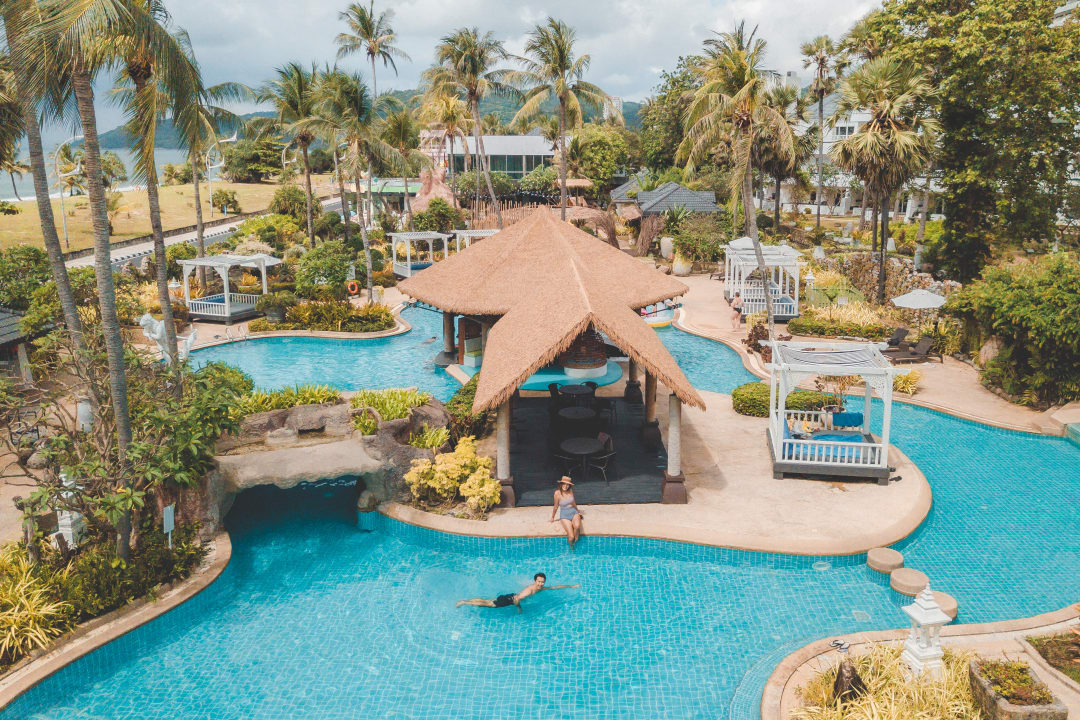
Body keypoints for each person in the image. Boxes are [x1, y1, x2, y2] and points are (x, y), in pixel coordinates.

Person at [456, 573, 578, 612]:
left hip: (510, 595)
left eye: (542, 582)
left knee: (489, 600)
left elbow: (555, 587)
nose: (541, 584)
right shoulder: (530, 590)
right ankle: (465, 602)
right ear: (535, 581)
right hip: (511, 599)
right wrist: (519, 608)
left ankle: (468, 600)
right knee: (489, 604)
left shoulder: (540, 588)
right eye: (539, 582)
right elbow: (517, 599)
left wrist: (571, 586)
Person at [551, 476, 583, 548]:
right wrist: (552, 517)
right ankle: (572, 549)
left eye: (567, 484)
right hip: (565, 515)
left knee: (577, 527)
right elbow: (556, 506)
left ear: (569, 485)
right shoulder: (557, 493)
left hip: (573, 512)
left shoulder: (570, 491)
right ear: (561, 484)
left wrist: (578, 511)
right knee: (571, 537)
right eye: (564, 484)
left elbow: (573, 502)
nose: (565, 486)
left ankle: (577, 543)